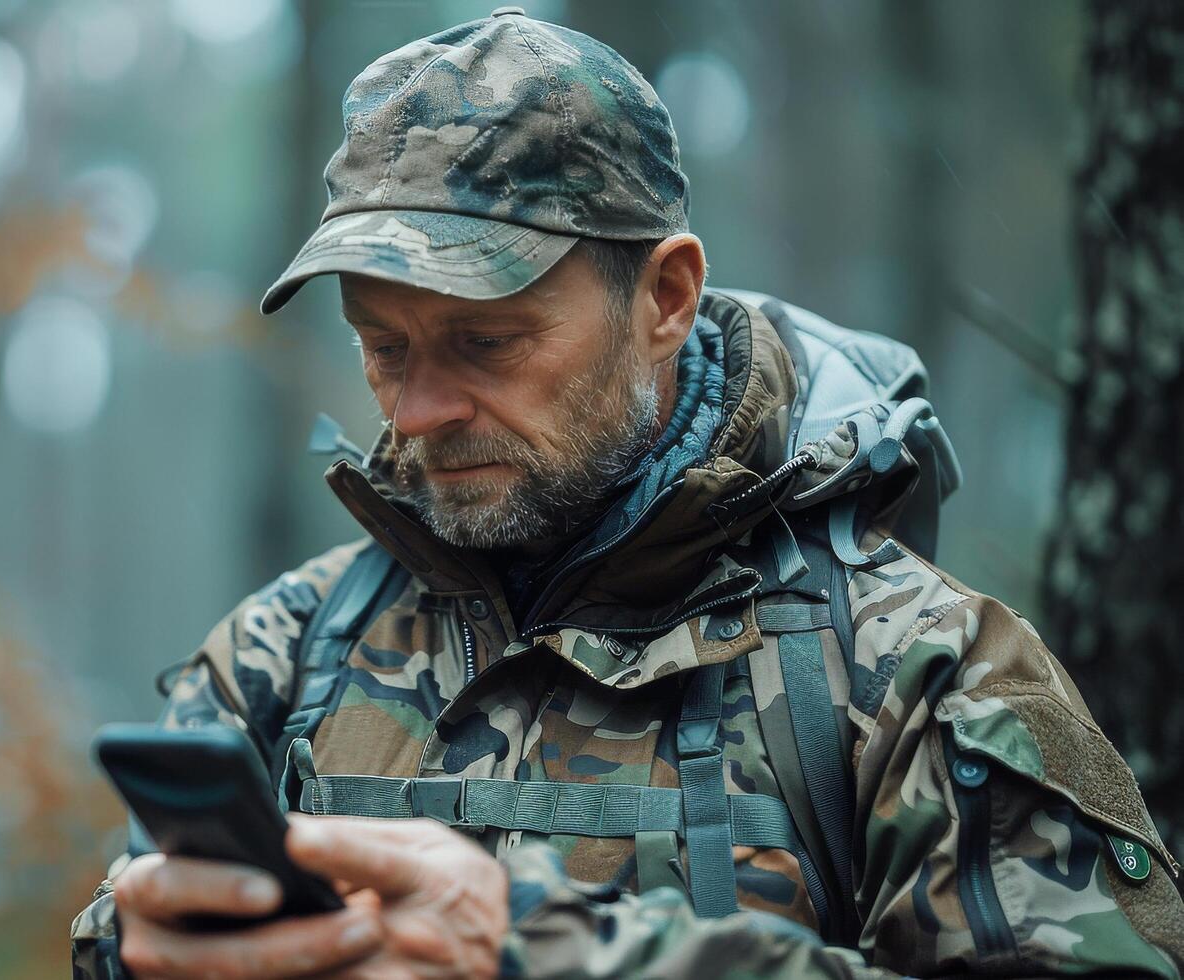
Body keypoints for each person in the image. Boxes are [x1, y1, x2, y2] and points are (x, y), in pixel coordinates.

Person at [71, 9, 1184, 978]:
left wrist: (555, 956)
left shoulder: (911, 672)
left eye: (486, 341)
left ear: (665, 296)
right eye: (383, 347)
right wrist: (137, 945)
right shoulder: (289, 651)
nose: (414, 413)